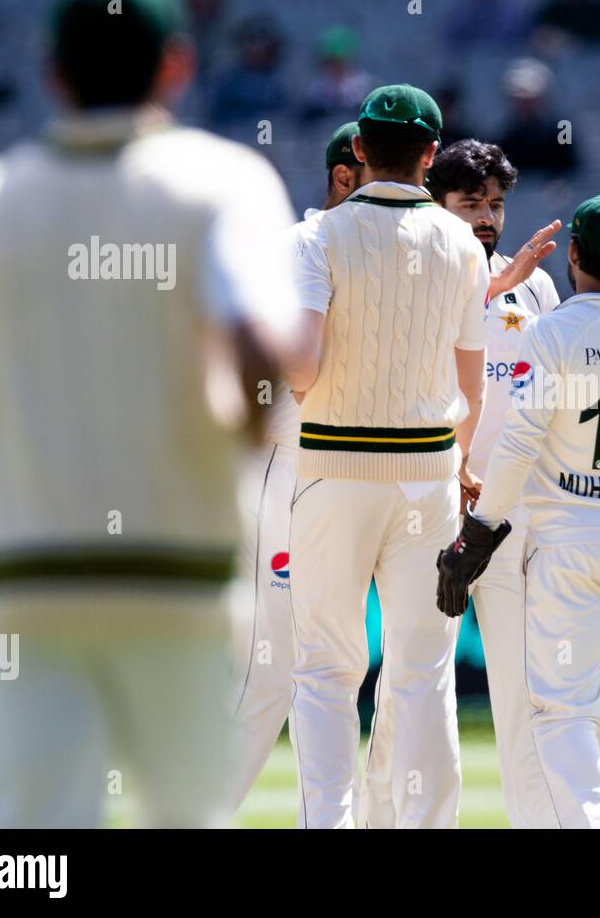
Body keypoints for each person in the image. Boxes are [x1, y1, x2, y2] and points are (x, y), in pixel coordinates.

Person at [0, 0, 300, 827]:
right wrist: (230, 430)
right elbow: (266, 356)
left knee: (34, 851)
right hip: (179, 572)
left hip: (30, 575)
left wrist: (16, 424)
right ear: (177, 64)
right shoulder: (225, 182)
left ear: (52, 70)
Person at [437, 194, 600, 828]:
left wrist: (477, 534)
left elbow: (521, 442)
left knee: (561, 711)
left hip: (564, 548)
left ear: (574, 253)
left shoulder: (550, 333)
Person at [285, 85, 488, 829]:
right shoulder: (462, 242)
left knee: (326, 671)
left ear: (359, 149)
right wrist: (462, 463)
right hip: (429, 477)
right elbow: (473, 382)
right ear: (432, 157)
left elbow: (300, 369)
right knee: (420, 675)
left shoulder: (314, 238)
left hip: (333, 470)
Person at [227, 122, 367, 813]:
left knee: (330, 672)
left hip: (350, 474)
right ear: (344, 177)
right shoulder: (295, 248)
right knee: (265, 676)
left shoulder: (380, 249)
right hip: (279, 466)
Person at [427, 138, 560, 827]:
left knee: (523, 692)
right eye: (470, 203)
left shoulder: (535, 280)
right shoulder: (418, 272)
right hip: (430, 501)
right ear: (436, 203)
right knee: (416, 689)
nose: (486, 217)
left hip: (511, 509)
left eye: (496, 203)